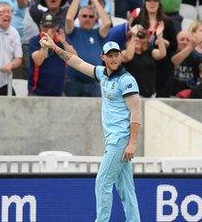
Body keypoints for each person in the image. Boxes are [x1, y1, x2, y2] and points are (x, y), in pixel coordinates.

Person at [38, 37, 141, 221]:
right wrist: (54, 47)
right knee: (126, 188)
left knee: (102, 183)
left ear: (121, 56)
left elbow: (136, 113)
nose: (114, 59)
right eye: (110, 56)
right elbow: (77, 62)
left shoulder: (127, 80)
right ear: (103, 57)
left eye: (116, 55)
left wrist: (132, 143)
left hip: (120, 140)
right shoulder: (103, 73)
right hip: (115, 140)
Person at [64, 0, 111, 97]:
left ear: (96, 19)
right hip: (73, 83)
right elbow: (69, 18)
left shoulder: (97, 34)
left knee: (95, 115)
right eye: (84, 16)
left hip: (94, 83)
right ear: (79, 18)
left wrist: (95, 0)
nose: (87, 19)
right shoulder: (72, 32)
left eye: (91, 16)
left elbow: (107, 23)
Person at [28, 13, 75, 96]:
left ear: (56, 27)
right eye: (45, 27)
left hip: (59, 92)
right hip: (37, 92)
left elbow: (74, 57)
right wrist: (46, 43)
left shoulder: (62, 40)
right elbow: (38, 61)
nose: (48, 30)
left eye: (51, 27)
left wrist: (64, 42)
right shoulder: (34, 40)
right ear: (41, 27)